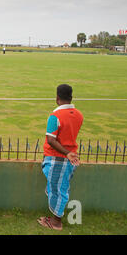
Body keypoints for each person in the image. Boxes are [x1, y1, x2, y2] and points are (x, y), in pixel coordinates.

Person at [37, 84, 83, 231]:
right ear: (71, 98)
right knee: (60, 187)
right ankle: (55, 218)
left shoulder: (54, 117)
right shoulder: (79, 115)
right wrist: (69, 153)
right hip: (69, 160)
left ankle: (56, 223)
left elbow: (51, 140)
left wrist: (66, 153)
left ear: (57, 98)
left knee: (58, 190)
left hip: (57, 158)